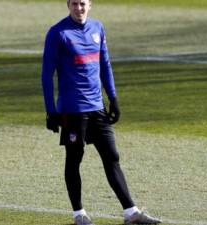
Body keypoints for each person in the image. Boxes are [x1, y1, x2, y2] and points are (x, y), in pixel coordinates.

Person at [41, 0, 161, 224]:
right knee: (74, 159)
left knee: (112, 157)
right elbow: (47, 74)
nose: (79, 8)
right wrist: (51, 110)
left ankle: (131, 212)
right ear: (68, 5)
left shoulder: (98, 28)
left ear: (90, 4)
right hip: (72, 110)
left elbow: (104, 64)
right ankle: (79, 214)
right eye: (75, 4)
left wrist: (113, 98)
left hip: (97, 107)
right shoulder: (58, 33)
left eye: (83, 3)